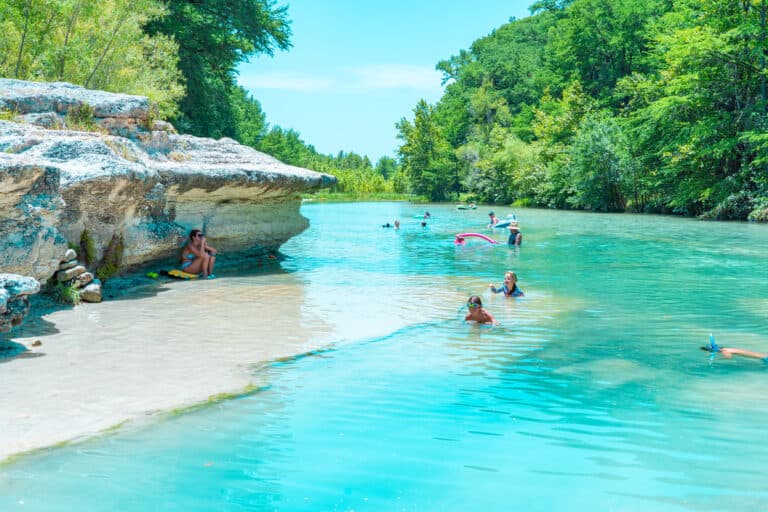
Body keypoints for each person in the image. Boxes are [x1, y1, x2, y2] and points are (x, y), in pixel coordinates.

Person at [701, 335, 768, 361]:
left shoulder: (725, 351)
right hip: (764, 356)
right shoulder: (727, 349)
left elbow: (728, 357)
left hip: (765, 358)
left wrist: (716, 359)